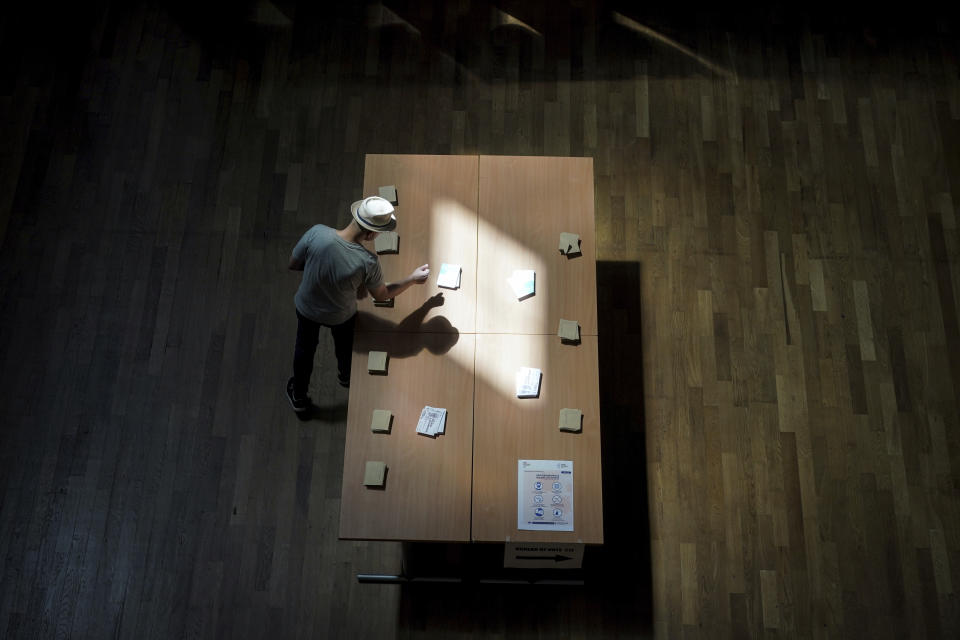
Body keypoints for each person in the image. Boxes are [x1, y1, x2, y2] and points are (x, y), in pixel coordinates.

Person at [286, 196, 429, 413]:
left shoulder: (317, 232)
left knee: (304, 350)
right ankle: (345, 377)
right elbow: (382, 295)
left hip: (306, 308)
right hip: (340, 316)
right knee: (344, 347)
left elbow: (294, 264)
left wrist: (325, 274)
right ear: (371, 234)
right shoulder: (367, 262)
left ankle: (298, 398)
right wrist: (412, 278)